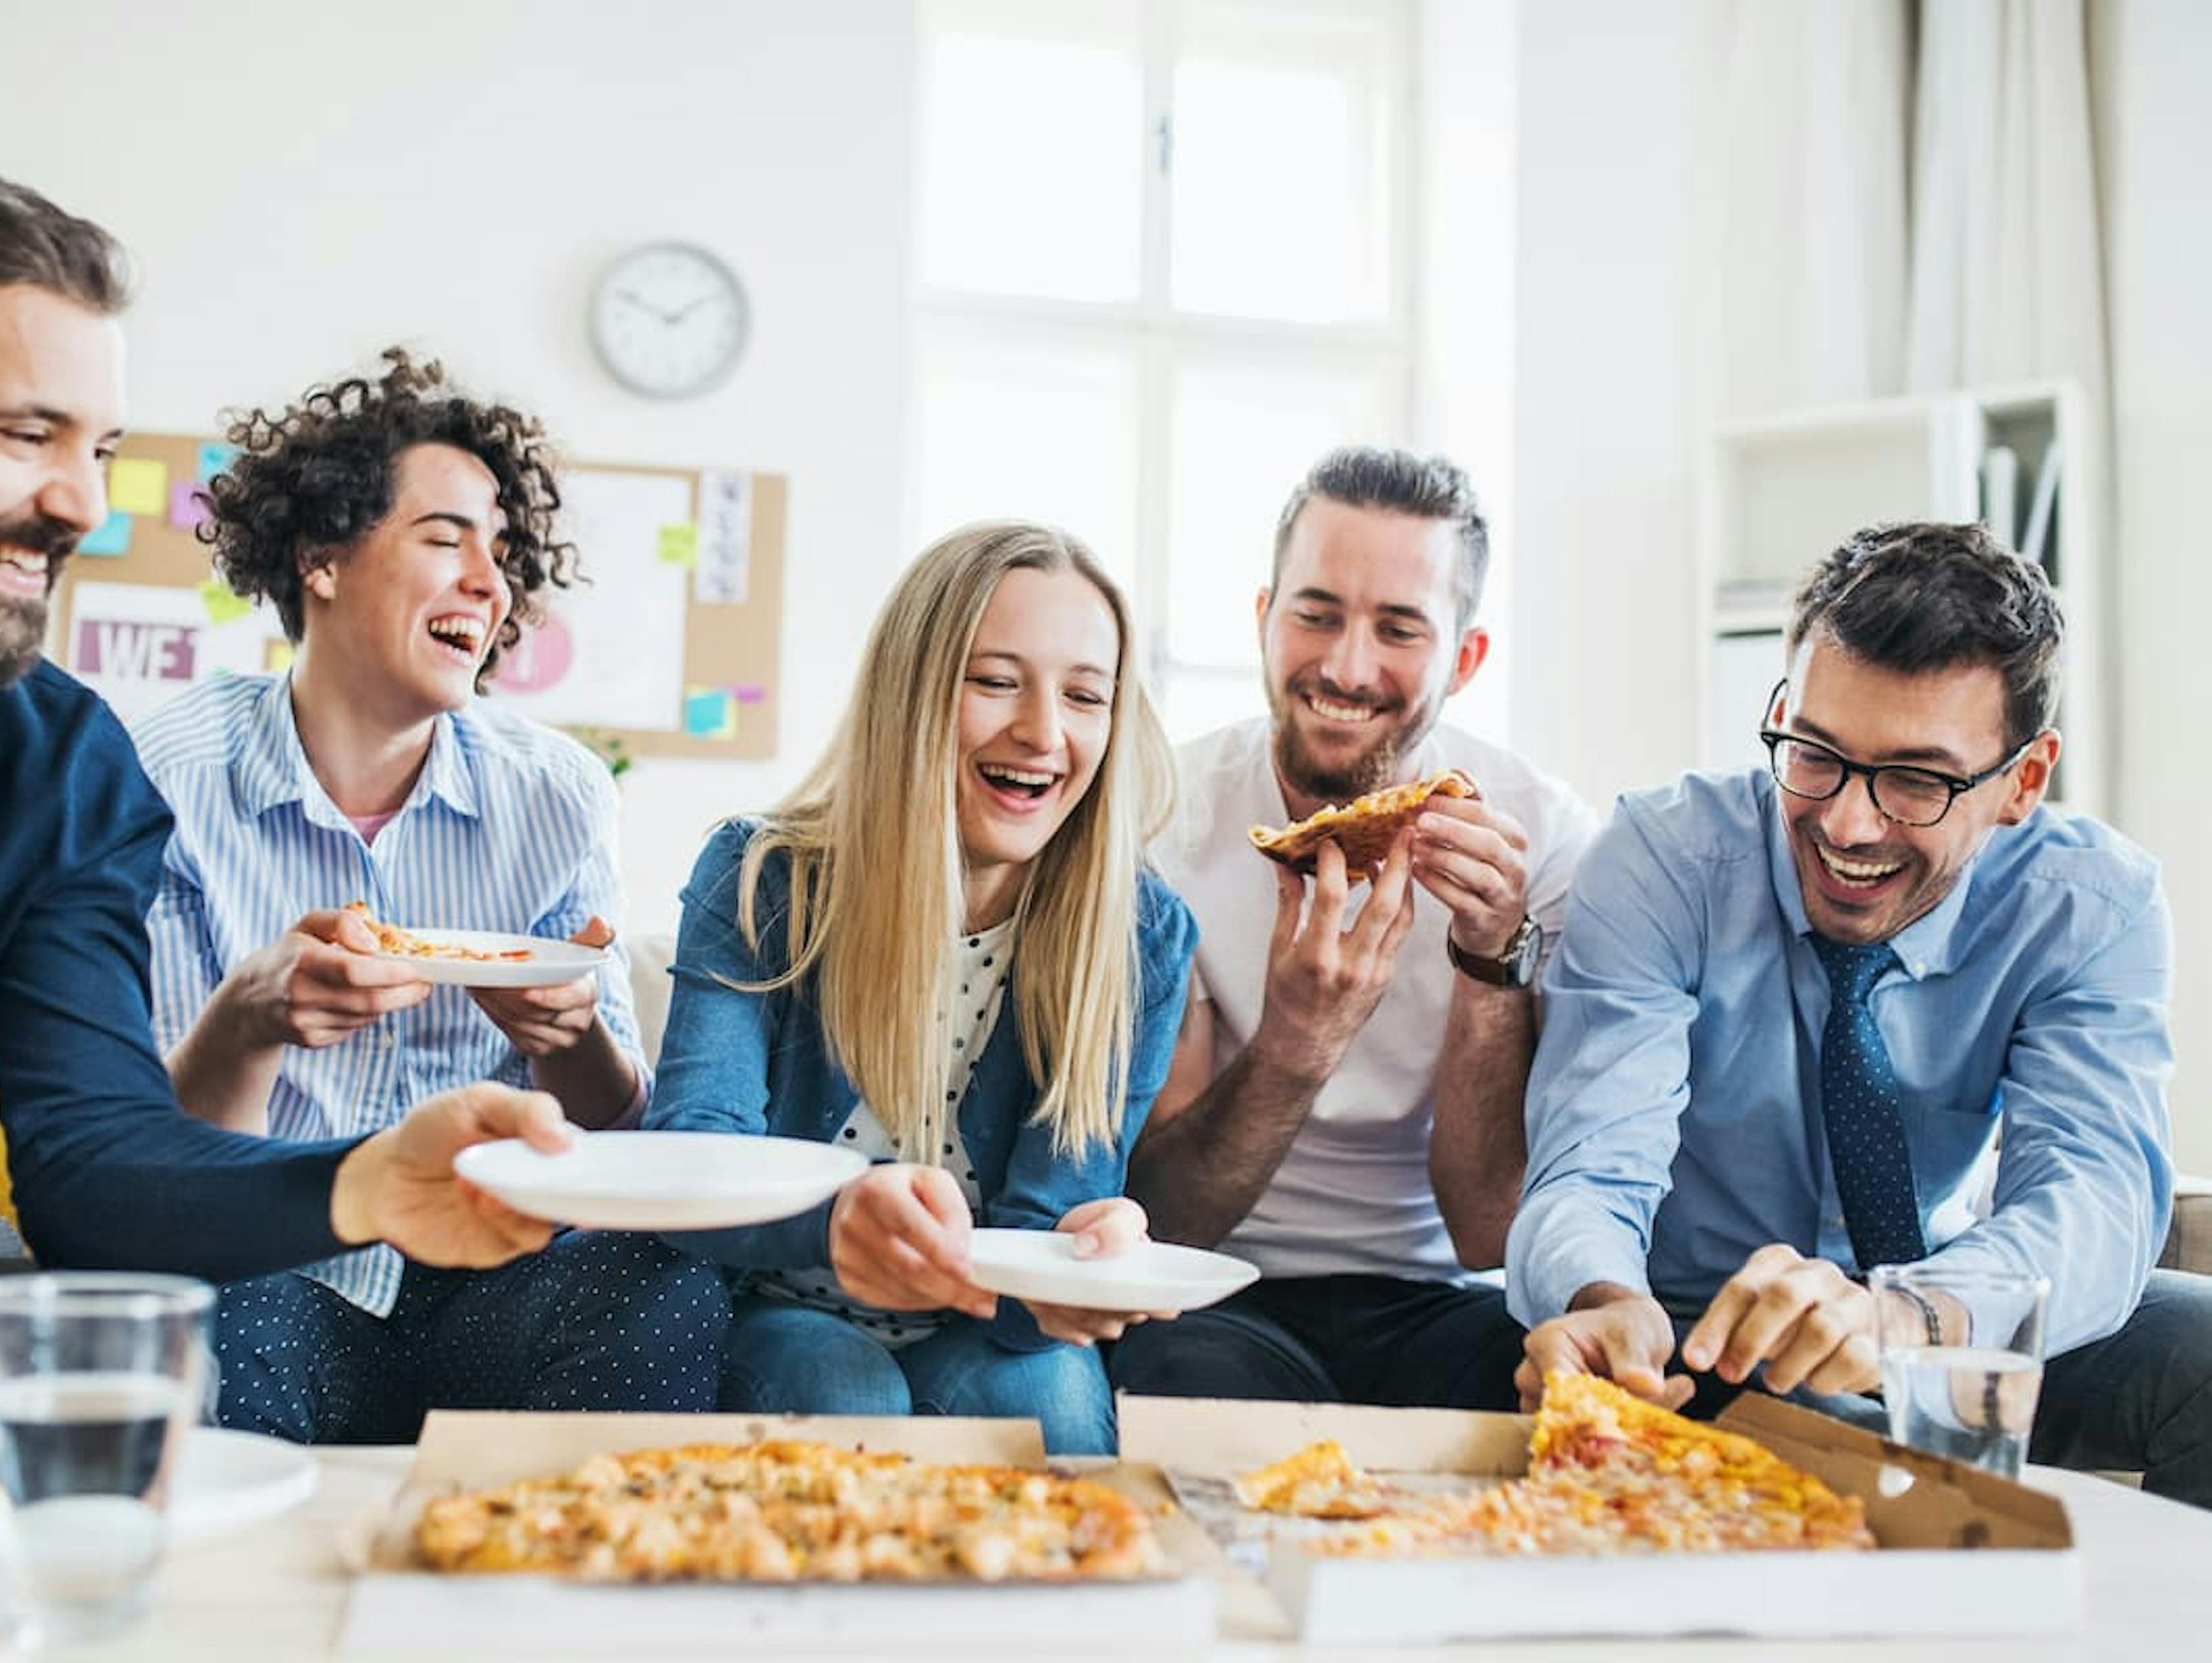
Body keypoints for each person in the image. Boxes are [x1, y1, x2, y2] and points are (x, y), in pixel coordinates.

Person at [0, 151, 571, 1523]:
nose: (82, 505)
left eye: (97, 450)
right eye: (22, 434)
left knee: (50, 1364)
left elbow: (93, 1165)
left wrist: (363, 1181)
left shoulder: (60, 761)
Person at [1508, 520, 2212, 1506]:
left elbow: (2094, 1198)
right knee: (1851, 1452)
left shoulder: (2091, 904)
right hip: (1705, 1335)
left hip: (1947, 1321)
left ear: (2024, 780)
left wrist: (1908, 1317)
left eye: (1916, 781)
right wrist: (1603, 1298)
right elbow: (1590, 1163)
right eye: (1815, 753)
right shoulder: (1664, 859)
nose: (1846, 822)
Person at [131, 351, 727, 1441]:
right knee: (188, 1307)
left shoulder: (555, 794)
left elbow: (610, 1128)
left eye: (501, 555)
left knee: (663, 1286)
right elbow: (161, 1165)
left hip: (498, 1268)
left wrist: (570, 1033)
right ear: (320, 556)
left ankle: (569, 1600)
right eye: (447, 538)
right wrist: (250, 1022)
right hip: (274, 1264)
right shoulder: (167, 778)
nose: (491, 585)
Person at [643, 521, 1198, 1455]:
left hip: (985, 1329)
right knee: (844, 1389)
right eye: (993, 681)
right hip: (783, 1306)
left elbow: (1046, 1223)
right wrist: (836, 1226)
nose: (1044, 732)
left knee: (1053, 1408)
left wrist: (1083, 1265)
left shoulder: (1141, 936)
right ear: (912, 692)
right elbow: (696, 1159)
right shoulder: (761, 875)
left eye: (1086, 696)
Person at [1110, 448, 1597, 1410]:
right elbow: (1168, 1222)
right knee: (1179, 1387)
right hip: (1217, 1293)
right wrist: (1299, 1041)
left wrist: (1491, 961)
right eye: (1316, 614)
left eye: (1399, 629)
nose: (1346, 666)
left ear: (1464, 659)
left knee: (1557, 1403)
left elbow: (1490, 1232)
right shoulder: (1158, 822)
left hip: (1442, 1295)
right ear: (1263, 619)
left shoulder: (1543, 843)